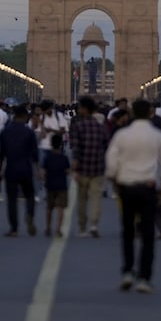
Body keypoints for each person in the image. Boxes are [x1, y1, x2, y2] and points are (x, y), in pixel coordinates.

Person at [105, 99, 161, 293]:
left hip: (126, 187)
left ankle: (127, 271)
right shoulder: (158, 136)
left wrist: (115, 184)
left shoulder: (122, 135)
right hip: (148, 187)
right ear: (150, 113)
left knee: (127, 231)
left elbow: (111, 163)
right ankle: (144, 277)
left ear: (133, 112)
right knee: (148, 234)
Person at [69, 96, 109, 238]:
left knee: (82, 199)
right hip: (98, 168)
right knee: (96, 197)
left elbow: (75, 149)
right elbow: (106, 146)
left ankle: (82, 227)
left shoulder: (78, 127)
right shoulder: (101, 127)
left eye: (80, 107)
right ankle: (94, 224)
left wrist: (75, 168)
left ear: (85, 109)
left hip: (83, 169)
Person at [0, 106, 39, 237]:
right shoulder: (29, 132)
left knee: (11, 199)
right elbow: (35, 154)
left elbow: (0, 154)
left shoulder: (5, 132)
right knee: (30, 195)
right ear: (25, 117)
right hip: (26, 167)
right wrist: (38, 170)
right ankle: (30, 214)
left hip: (11, 167)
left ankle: (14, 228)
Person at [40, 133, 70, 237]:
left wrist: (44, 181)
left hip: (50, 185)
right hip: (62, 185)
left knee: (49, 207)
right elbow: (68, 171)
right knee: (61, 208)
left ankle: (48, 227)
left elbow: (44, 172)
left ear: (51, 144)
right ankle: (59, 229)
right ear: (61, 144)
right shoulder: (64, 158)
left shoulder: (48, 158)